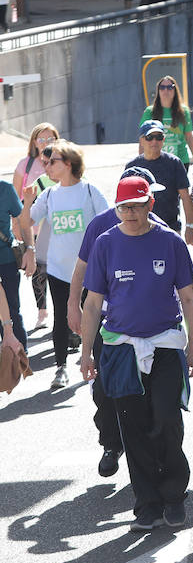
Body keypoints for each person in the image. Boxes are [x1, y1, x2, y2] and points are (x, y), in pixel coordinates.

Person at [78, 175, 193, 531]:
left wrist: (192, 349)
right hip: (121, 348)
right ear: (117, 208)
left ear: (150, 204)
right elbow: (93, 304)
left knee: (166, 417)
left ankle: (174, 496)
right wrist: (87, 353)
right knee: (133, 425)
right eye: (124, 206)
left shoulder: (170, 242)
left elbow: (190, 299)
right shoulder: (105, 244)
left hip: (163, 343)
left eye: (137, 205)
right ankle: (147, 504)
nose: (131, 212)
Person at [69, 167, 169, 477]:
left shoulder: (160, 229)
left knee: (149, 391)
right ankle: (112, 444)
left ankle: (152, 451)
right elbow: (81, 269)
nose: (141, 207)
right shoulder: (100, 227)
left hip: (150, 325)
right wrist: (73, 304)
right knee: (104, 388)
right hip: (107, 322)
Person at [18, 140, 107, 391]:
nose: (46, 166)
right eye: (45, 162)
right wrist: (26, 202)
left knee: (93, 316)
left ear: (68, 163)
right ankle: (61, 367)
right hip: (58, 269)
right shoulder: (48, 194)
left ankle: (96, 362)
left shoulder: (90, 191)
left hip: (90, 269)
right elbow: (27, 222)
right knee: (61, 318)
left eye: (52, 161)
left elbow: (109, 221)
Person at [11, 123, 56, 333]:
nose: (45, 144)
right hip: (34, 228)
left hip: (57, 227)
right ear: (34, 142)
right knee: (38, 271)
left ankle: (65, 313)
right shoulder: (25, 165)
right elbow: (15, 201)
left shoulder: (63, 161)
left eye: (50, 139)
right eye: (41, 139)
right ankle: (42, 311)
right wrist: (17, 228)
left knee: (60, 271)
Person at [126, 120, 193, 238]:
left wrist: (190, 227)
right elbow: (125, 201)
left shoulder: (174, 163)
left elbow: (185, 197)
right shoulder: (132, 167)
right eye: (149, 137)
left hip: (170, 228)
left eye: (158, 137)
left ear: (163, 139)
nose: (154, 141)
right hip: (140, 230)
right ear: (141, 140)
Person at [141, 76, 193, 168]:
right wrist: (142, 160)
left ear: (175, 90)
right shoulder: (149, 112)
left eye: (170, 87)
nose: (165, 90)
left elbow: (189, 136)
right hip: (155, 160)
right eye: (162, 87)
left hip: (180, 161)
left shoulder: (184, 111)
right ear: (158, 91)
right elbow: (142, 139)